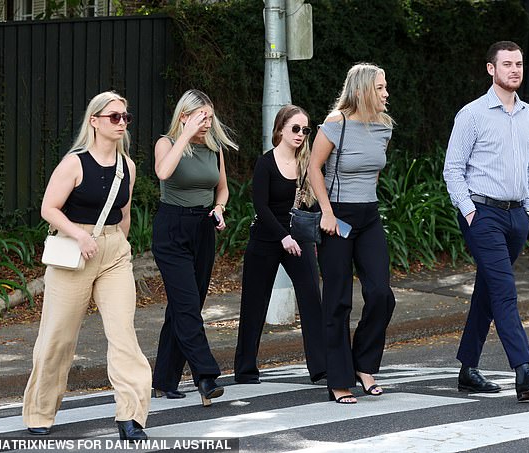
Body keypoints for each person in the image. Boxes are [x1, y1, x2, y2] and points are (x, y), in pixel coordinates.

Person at [23, 91, 151, 440]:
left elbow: (122, 215)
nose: (122, 123)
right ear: (94, 121)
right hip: (74, 250)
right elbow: (49, 208)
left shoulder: (128, 166)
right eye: (114, 117)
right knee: (58, 337)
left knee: (123, 334)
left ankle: (131, 415)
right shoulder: (75, 163)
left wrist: (119, 244)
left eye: (125, 117)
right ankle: (40, 410)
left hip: (113, 254)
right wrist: (78, 237)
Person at [443, 41, 529, 401]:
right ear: (491, 69)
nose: (515, 70)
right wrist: (470, 211)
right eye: (507, 64)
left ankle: (467, 369)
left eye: (519, 64)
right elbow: (453, 169)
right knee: (504, 289)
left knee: (490, 290)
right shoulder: (472, 114)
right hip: (483, 213)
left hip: (516, 216)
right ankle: (524, 371)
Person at [308, 63, 396, 404]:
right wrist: (327, 212)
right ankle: (340, 378)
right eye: (380, 88)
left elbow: (373, 172)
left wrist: (365, 201)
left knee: (381, 295)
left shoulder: (384, 127)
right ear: (361, 91)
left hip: (369, 216)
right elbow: (315, 167)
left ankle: (364, 362)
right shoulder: (335, 124)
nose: (386, 93)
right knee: (338, 300)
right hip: (337, 216)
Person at [151, 89, 237, 406]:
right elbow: (163, 172)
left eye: (210, 118)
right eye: (201, 117)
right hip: (172, 229)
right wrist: (185, 135)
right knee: (186, 305)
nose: (207, 123)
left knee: (185, 306)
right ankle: (206, 375)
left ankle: (163, 380)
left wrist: (220, 209)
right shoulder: (167, 143)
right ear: (184, 116)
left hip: (203, 228)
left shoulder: (214, 149)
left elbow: (223, 189)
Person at [234, 105, 326, 385]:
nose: (300, 134)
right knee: (254, 303)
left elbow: (310, 204)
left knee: (311, 297)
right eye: (295, 128)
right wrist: (282, 236)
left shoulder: (307, 163)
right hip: (266, 238)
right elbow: (261, 206)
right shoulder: (266, 163)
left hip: (297, 239)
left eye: (305, 130)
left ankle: (321, 368)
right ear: (281, 130)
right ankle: (245, 369)